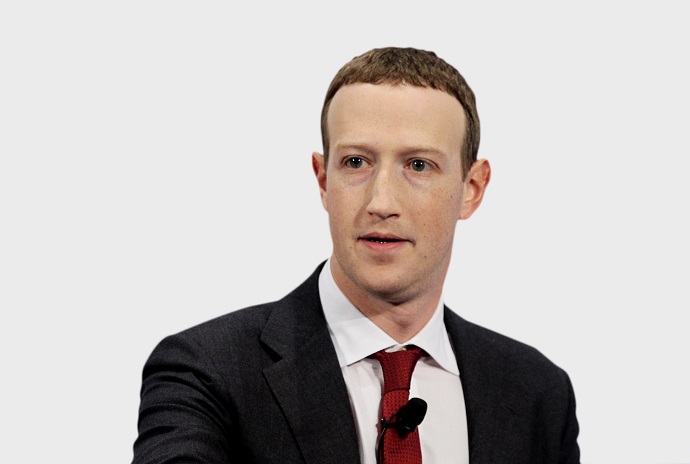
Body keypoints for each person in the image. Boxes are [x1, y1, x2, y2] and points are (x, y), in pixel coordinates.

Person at [132, 47, 580, 464]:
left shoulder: (538, 393)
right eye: (356, 162)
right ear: (323, 180)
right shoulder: (205, 370)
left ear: (472, 189)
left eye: (418, 165)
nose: (381, 202)